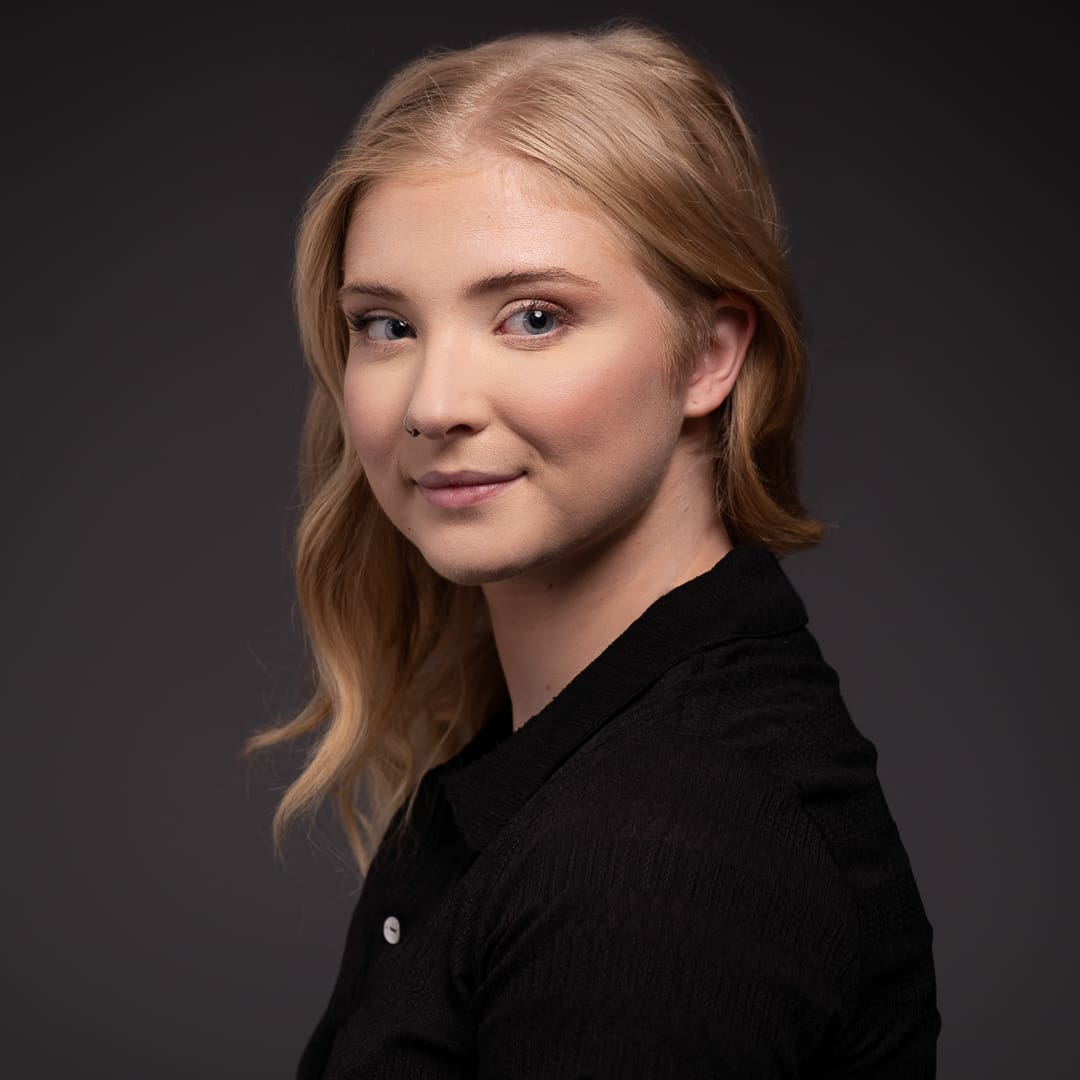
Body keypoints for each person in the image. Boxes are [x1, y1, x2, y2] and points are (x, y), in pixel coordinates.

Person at [245, 20, 941, 1078]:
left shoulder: (662, 865)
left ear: (710, 355)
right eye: (386, 325)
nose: (433, 404)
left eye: (532, 316)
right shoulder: (566, 760)